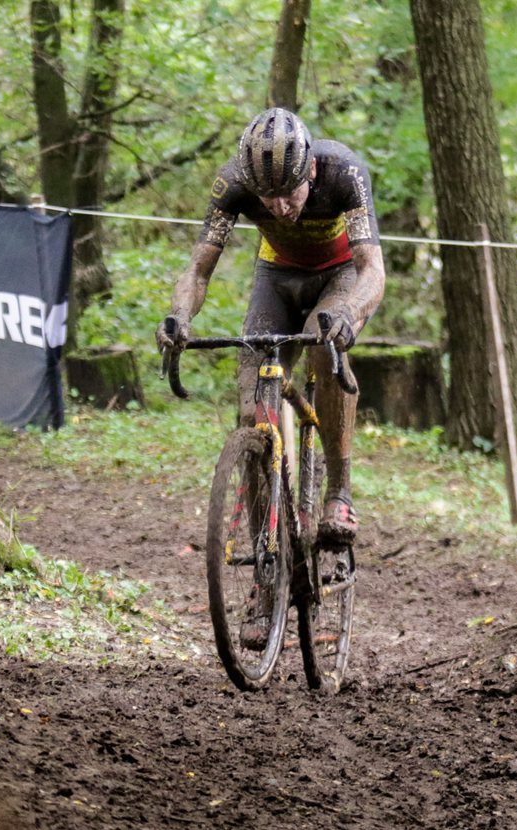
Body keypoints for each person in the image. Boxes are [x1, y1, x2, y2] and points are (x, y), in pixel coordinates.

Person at [161, 106, 385, 547]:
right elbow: (198, 270)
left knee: (325, 342)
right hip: (276, 278)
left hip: (339, 276)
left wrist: (350, 312)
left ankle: (338, 491)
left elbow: (372, 269)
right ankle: (268, 552)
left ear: (311, 169)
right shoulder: (233, 183)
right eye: (268, 199)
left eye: (291, 193)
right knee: (252, 406)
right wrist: (180, 316)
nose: (281, 208)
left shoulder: (343, 171)